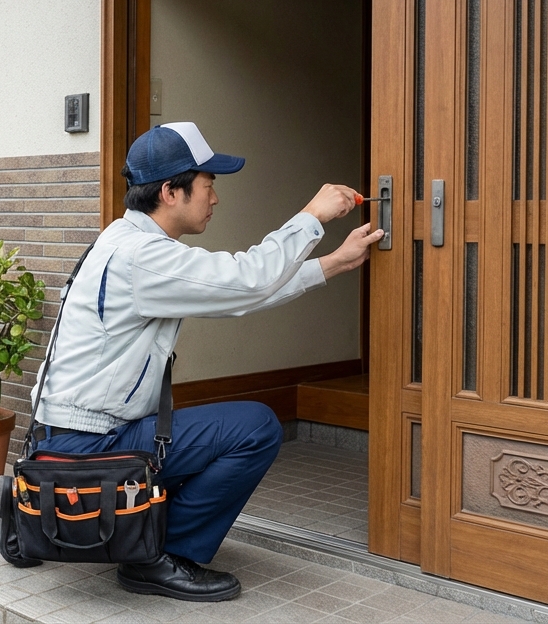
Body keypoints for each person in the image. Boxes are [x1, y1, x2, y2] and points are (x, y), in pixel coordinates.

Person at [31, 121, 382, 600]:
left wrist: (334, 262)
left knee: (212, 428)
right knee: (256, 427)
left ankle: (103, 524)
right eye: (208, 185)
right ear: (171, 192)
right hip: (92, 444)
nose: (215, 198)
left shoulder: (122, 240)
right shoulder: (142, 257)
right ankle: (157, 558)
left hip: (69, 435)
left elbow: (237, 292)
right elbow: (246, 280)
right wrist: (312, 216)